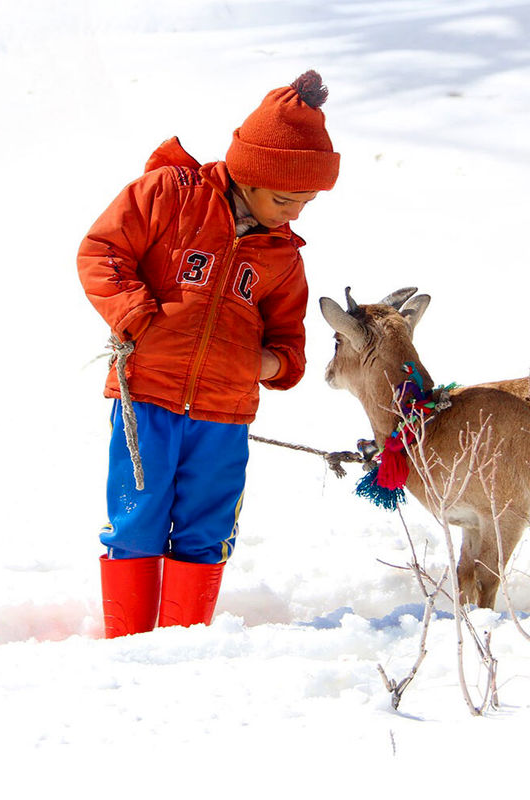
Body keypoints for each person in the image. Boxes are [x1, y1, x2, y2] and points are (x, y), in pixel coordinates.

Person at [76, 70, 339, 638]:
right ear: (250, 175)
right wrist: (133, 313)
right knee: (136, 518)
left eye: (306, 202)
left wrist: (266, 366)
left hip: (224, 414)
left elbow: (288, 343)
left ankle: (183, 648)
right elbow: (102, 251)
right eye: (284, 198)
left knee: (206, 527)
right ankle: (129, 643)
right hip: (145, 394)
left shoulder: (283, 259)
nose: (292, 213)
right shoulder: (168, 195)